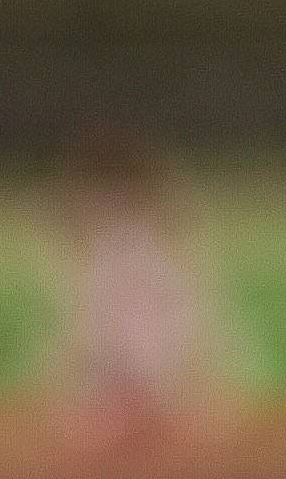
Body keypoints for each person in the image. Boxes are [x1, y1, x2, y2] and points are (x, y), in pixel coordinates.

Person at [40, 134, 252, 450]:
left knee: (117, 414)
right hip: (131, 361)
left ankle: (145, 413)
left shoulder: (135, 251)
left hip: (152, 361)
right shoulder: (119, 249)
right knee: (95, 414)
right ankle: (141, 413)